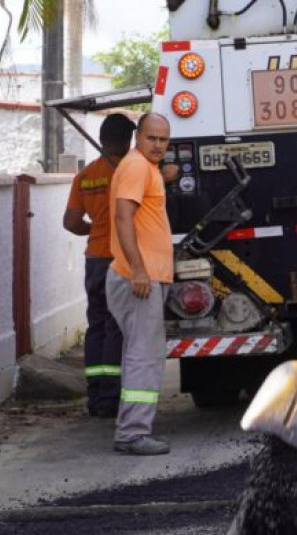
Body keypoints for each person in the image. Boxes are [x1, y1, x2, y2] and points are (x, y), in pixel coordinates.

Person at [106, 112, 174, 455]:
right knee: (143, 356)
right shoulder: (136, 167)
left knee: (142, 353)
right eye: (151, 138)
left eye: (164, 140)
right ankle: (132, 433)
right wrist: (138, 269)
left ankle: (133, 429)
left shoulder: (145, 168)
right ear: (138, 137)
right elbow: (123, 217)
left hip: (143, 277)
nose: (158, 145)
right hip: (137, 279)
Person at [63, 114, 135, 418]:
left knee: (97, 326)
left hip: (94, 260)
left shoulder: (85, 176)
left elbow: (71, 222)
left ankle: (95, 396)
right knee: (117, 327)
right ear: (128, 141)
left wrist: (94, 230)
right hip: (120, 259)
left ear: (103, 139)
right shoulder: (130, 172)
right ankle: (111, 397)